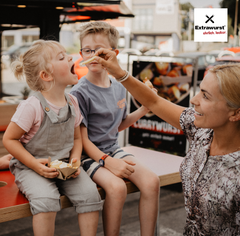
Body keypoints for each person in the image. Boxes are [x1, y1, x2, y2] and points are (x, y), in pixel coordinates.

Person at [95, 48, 240, 235]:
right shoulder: (202, 130)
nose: (194, 100)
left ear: (235, 113)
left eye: (205, 96)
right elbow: (154, 102)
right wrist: (119, 73)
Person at [2, 40, 103, 236]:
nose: (71, 57)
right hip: (30, 168)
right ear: (46, 75)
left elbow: (76, 139)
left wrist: (75, 159)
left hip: (63, 165)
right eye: (62, 57)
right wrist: (34, 164)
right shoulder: (32, 106)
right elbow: (9, 140)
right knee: (47, 200)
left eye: (66, 54)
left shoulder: (72, 101)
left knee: (90, 195)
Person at [70, 21, 160, 236]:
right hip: (86, 155)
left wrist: (143, 110)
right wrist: (107, 162)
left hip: (113, 149)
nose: (93, 55)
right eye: (87, 50)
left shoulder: (119, 87)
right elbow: (82, 141)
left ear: (113, 53)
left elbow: (117, 125)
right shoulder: (78, 92)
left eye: (99, 50)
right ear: (81, 53)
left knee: (152, 182)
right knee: (117, 188)